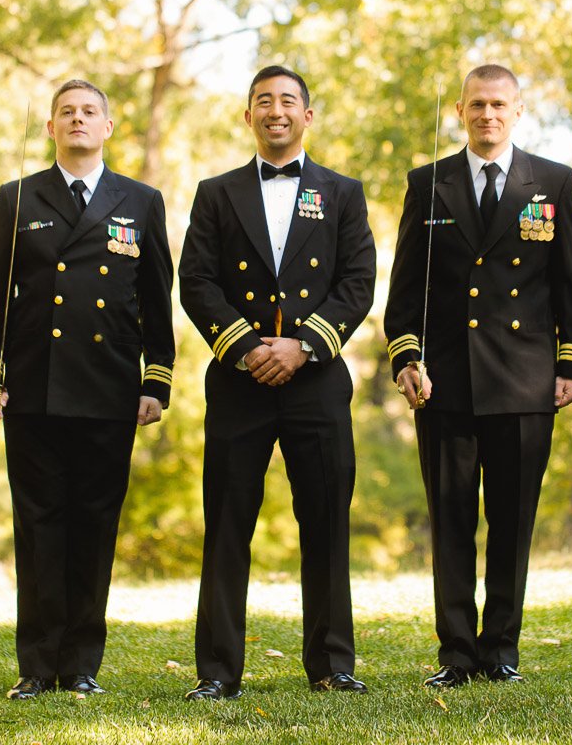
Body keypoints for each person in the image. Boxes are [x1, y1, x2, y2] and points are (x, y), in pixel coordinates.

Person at [384, 64, 572, 688]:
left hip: (525, 382)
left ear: (519, 110)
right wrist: (405, 358)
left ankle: (500, 651)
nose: (488, 114)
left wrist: (571, 364)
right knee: (450, 525)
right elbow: (405, 288)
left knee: (511, 523)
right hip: (444, 383)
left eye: (499, 104)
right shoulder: (430, 183)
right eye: (477, 104)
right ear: (459, 110)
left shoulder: (553, 181)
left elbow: (571, 282)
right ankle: (455, 655)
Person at [0, 80, 175, 699]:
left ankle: (82, 662)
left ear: (108, 127)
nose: (78, 120)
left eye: (89, 112)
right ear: (52, 128)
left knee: (94, 524)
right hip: (33, 389)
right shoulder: (18, 196)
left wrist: (155, 379)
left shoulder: (141, 201)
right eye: (67, 112)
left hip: (108, 389)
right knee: (37, 525)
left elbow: (155, 299)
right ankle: (37, 664)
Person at [178, 65, 376, 700]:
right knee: (228, 523)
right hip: (239, 378)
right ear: (248, 116)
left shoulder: (343, 192)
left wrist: (306, 344)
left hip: (316, 379)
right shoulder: (215, 192)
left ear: (308, 116)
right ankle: (217, 672)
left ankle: (332, 664)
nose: (276, 111)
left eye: (288, 101)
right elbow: (197, 279)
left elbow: (358, 281)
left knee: (326, 522)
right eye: (263, 101)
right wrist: (245, 345)